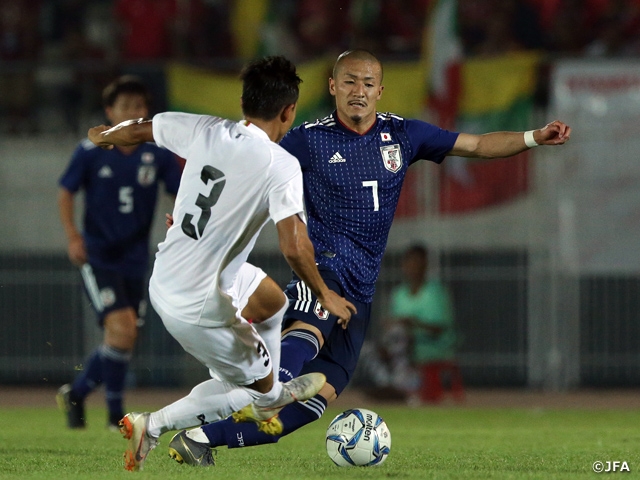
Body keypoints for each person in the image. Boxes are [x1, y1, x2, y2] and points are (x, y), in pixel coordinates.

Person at [166, 48, 572, 464]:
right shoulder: (307, 138)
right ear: (333, 87)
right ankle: (269, 388)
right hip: (322, 268)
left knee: (321, 395)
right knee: (307, 334)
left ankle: (200, 438)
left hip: (362, 284)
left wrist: (533, 138)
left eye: (367, 83)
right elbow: (243, 159)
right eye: (349, 82)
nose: (358, 91)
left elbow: (479, 144)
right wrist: (197, 216)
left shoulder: (403, 135)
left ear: (380, 90)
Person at [85, 55, 356, 471]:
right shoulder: (280, 164)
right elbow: (295, 247)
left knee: (273, 302)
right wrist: (325, 295)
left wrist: (105, 135)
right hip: (197, 303)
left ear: (245, 101)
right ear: (288, 112)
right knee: (258, 396)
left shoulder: (206, 128)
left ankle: (258, 371)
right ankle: (155, 424)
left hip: (172, 273)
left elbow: (141, 128)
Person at [56, 76, 183, 430]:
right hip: (98, 255)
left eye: (138, 107)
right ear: (110, 112)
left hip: (136, 256)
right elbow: (65, 192)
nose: (132, 113)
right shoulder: (90, 150)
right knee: (122, 328)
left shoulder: (156, 153)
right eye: (124, 107)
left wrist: (183, 222)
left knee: (124, 334)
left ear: (147, 112)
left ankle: (78, 392)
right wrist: (73, 236)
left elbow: (180, 192)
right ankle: (115, 416)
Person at [385, 244, 460, 404]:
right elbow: (393, 324)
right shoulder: (399, 293)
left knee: (399, 337)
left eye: (417, 262)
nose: (413, 267)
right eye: (409, 262)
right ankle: (397, 386)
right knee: (370, 351)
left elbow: (439, 329)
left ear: (425, 265)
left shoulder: (435, 292)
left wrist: (413, 323)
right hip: (402, 348)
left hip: (432, 347)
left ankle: (404, 388)